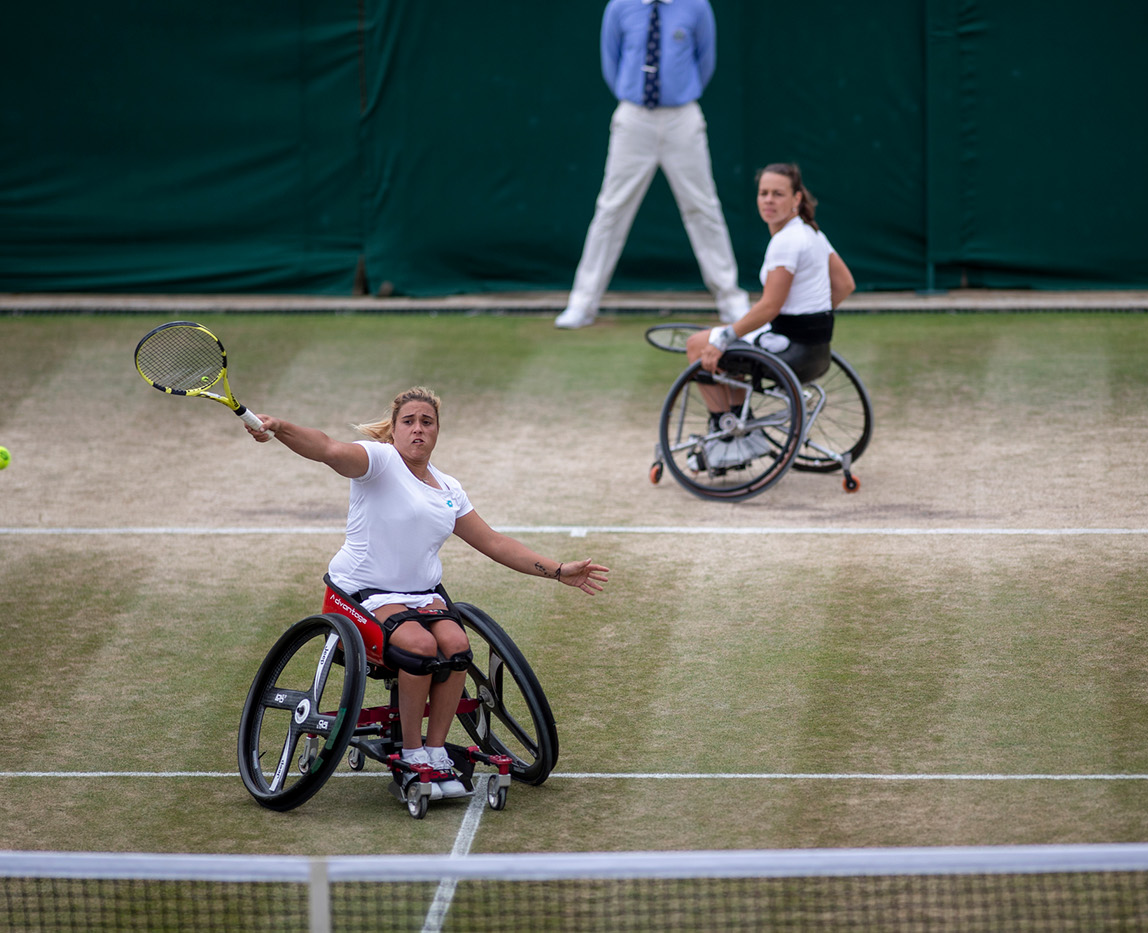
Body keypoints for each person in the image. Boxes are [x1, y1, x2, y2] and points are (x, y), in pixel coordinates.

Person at [245, 387, 608, 798]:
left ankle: (436, 751)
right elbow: (327, 448)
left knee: (455, 645)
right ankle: (412, 751)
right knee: (419, 647)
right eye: (409, 422)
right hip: (360, 593)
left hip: (420, 594)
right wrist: (280, 428)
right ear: (395, 430)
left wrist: (559, 571)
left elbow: (494, 542)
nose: (418, 429)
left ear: (436, 432)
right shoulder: (378, 462)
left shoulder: (449, 489)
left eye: (427, 422)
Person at [555, 0, 749, 330]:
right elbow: (610, 60)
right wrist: (632, 95)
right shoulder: (619, 7)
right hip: (633, 117)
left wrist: (680, 93)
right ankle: (583, 303)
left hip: (682, 117)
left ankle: (730, 299)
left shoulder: (697, 7)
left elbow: (706, 60)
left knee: (703, 207)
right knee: (611, 209)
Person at [685, 162, 856, 467]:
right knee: (733, 340)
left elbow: (769, 307)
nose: (768, 200)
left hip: (789, 352)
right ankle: (743, 433)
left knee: (698, 344)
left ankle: (727, 439)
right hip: (816, 351)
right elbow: (845, 285)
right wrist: (811, 314)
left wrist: (724, 337)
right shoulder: (812, 234)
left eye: (778, 194)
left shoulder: (786, 242)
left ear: (796, 199)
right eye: (763, 193)